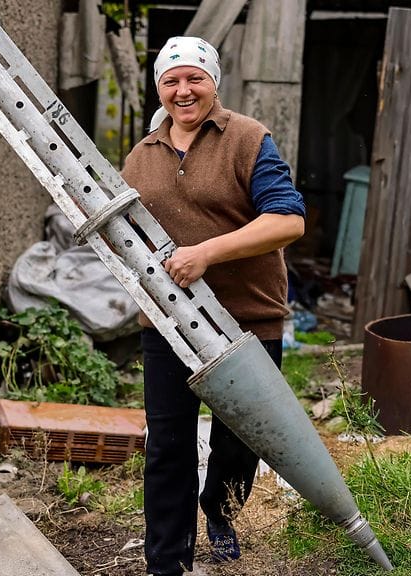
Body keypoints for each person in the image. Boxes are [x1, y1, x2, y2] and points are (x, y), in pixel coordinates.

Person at [120, 36, 306, 576]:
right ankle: (167, 562)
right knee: (168, 445)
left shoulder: (247, 140)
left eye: (194, 79)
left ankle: (219, 510)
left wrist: (205, 253)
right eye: (171, 81)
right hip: (169, 322)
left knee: (242, 439)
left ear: (214, 84)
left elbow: (288, 220)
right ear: (159, 89)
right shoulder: (142, 156)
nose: (183, 91)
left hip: (247, 319)